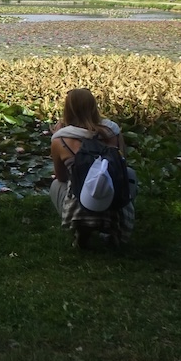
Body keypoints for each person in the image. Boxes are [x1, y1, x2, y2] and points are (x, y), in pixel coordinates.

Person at [49, 88, 136, 247]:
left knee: (57, 184)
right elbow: (121, 165)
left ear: (67, 109)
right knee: (129, 174)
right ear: (94, 106)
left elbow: (61, 176)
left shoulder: (60, 140)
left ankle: (80, 227)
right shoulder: (113, 132)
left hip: (81, 203)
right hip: (114, 199)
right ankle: (115, 227)